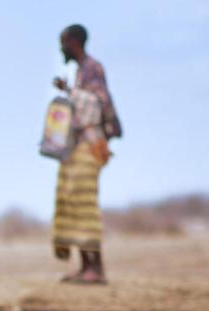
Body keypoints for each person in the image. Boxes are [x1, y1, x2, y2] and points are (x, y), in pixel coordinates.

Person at [51, 24, 121, 284]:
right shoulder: (81, 72)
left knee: (85, 204)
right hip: (77, 145)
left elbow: (96, 105)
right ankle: (84, 267)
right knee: (73, 202)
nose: (61, 48)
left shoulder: (93, 68)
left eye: (63, 42)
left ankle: (96, 268)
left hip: (91, 143)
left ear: (74, 42)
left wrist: (69, 92)